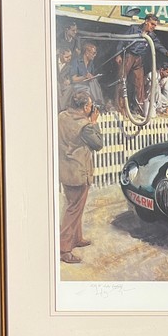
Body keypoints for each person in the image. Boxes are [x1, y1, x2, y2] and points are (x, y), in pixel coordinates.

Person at [58, 91, 103, 263]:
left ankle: (76, 238)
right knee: (73, 209)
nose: (91, 108)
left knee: (74, 206)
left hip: (66, 170)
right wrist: (94, 122)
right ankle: (64, 249)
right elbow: (98, 144)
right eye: (90, 105)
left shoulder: (62, 116)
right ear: (85, 107)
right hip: (79, 171)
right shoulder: (86, 126)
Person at [114, 14, 168, 115]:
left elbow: (157, 44)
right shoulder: (134, 29)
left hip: (139, 58)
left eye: (155, 25)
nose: (153, 27)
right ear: (146, 21)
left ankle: (139, 108)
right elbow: (122, 40)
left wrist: (166, 52)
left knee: (139, 84)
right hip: (129, 55)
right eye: (152, 24)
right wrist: (118, 54)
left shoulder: (152, 35)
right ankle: (120, 107)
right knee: (122, 80)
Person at [69, 42, 104, 106]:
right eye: (94, 53)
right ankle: (98, 103)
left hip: (88, 86)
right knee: (90, 88)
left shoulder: (91, 63)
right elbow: (73, 79)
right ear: (87, 53)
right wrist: (85, 77)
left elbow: (91, 76)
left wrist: (91, 77)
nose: (95, 55)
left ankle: (98, 104)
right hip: (77, 86)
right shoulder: (76, 61)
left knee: (94, 82)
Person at [57, 47, 73, 112]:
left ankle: (61, 109)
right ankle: (60, 109)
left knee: (70, 88)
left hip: (63, 84)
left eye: (70, 56)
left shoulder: (69, 66)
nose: (69, 58)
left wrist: (69, 80)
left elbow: (71, 76)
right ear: (61, 55)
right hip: (54, 83)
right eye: (67, 57)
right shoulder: (53, 61)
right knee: (57, 86)